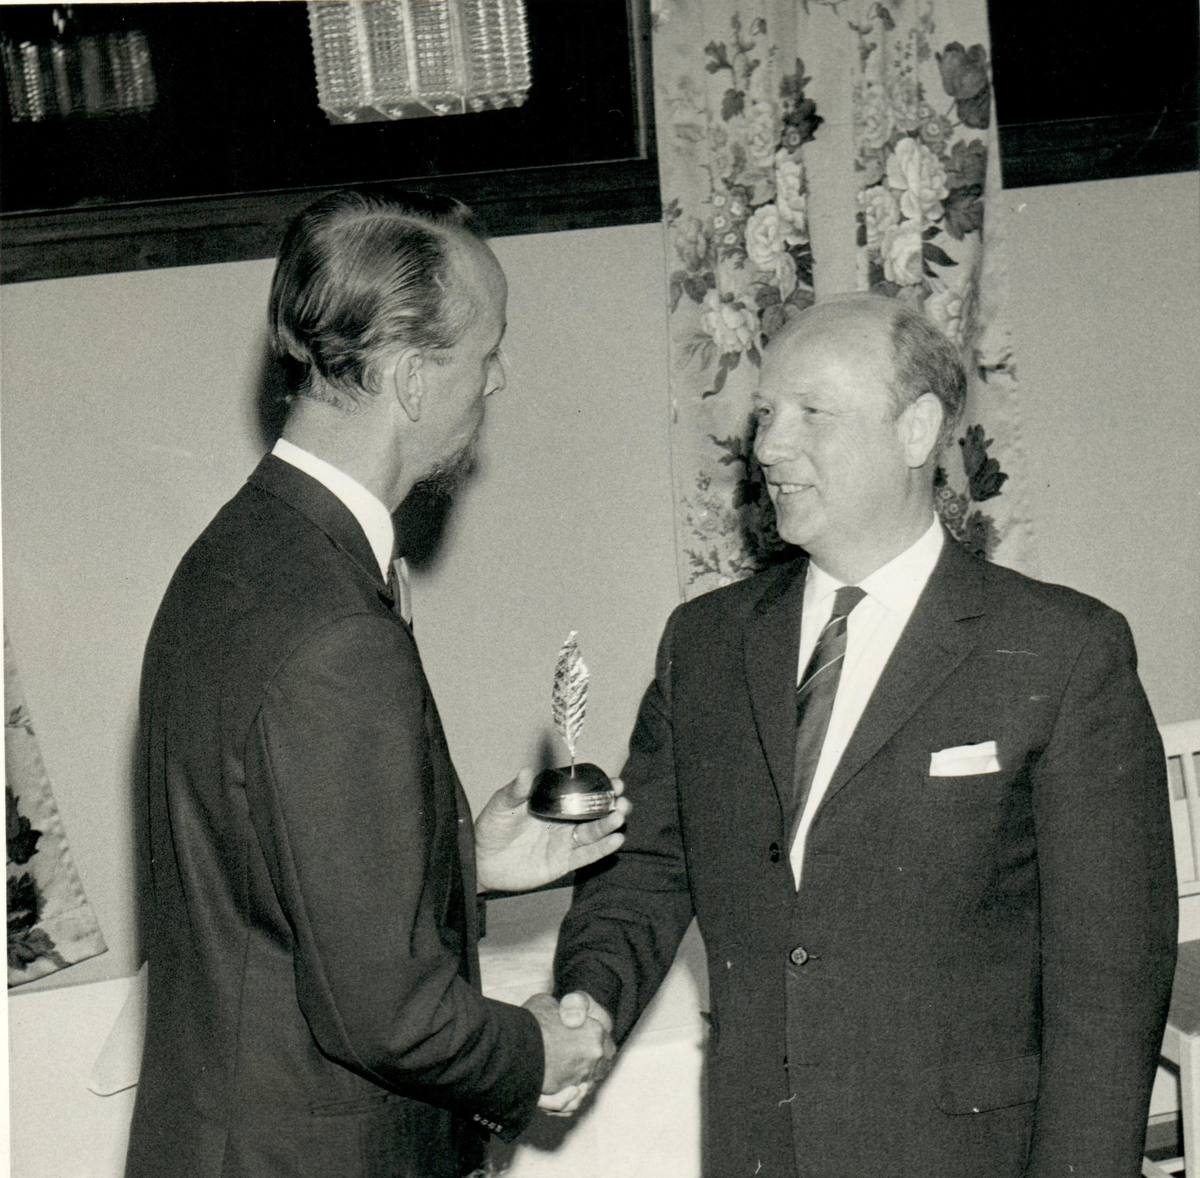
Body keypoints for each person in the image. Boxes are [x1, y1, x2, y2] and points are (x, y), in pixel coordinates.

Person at [552, 294, 1177, 1177]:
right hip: (762, 1149)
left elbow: (1109, 987)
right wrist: (586, 1000)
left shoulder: (1063, 651)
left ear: (916, 430)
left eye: (812, 413)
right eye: (766, 414)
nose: (769, 447)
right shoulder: (705, 643)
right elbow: (645, 869)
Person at [126, 188, 624, 1178]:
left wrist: (459, 857)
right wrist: (538, 1052)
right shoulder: (338, 630)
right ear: (409, 378)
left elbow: (267, 879)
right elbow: (389, 1014)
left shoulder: (238, 554)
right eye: (486, 351)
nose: (499, 377)